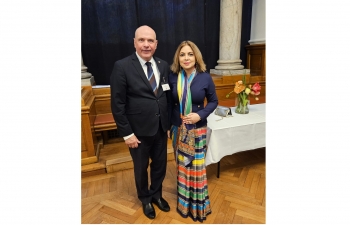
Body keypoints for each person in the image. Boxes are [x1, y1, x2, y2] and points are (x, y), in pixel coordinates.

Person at [110, 25, 171, 220]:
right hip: (138, 132)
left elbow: (166, 97)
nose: (146, 45)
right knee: (141, 167)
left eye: (150, 41)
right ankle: (145, 198)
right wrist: (127, 133)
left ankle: (157, 195)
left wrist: (168, 125)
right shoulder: (122, 66)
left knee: (160, 165)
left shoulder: (163, 65)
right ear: (135, 42)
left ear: (156, 44)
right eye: (142, 40)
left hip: (161, 129)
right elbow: (117, 104)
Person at [168, 40, 218, 222]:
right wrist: (169, 126)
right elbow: (168, 103)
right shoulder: (173, 76)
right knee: (182, 167)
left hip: (197, 129)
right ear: (178, 58)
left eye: (190, 54)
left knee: (197, 169)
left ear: (196, 56)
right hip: (178, 129)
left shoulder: (205, 77)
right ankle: (184, 204)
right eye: (182, 55)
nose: (186, 58)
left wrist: (200, 115)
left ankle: (197, 207)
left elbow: (213, 101)